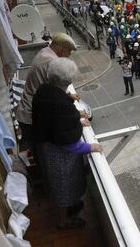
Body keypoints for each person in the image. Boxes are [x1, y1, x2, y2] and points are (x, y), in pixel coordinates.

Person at [32, 57, 103, 229]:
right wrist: (92, 146)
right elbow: (68, 142)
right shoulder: (60, 105)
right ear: (69, 80)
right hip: (59, 155)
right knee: (64, 186)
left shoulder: (43, 91)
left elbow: (55, 123)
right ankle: (64, 220)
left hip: (47, 147)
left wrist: (76, 120)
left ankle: (71, 206)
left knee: (60, 184)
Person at [17, 33, 78, 153]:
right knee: (41, 152)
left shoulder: (45, 51)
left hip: (27, 111)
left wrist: (68, 96)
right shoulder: (52, 62)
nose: (69, 56)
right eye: (69, 52)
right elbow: (55, 96)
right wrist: (76, 114)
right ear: (62, 49)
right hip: (33, 116)